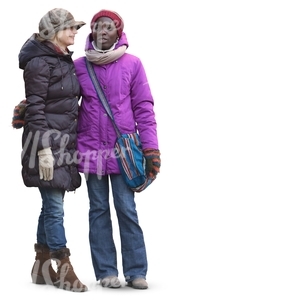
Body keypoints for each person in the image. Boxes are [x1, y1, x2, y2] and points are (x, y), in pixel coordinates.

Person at [74, 9, 161, 289]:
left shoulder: (133, 64)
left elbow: (144, 108)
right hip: (90, 149)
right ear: (92, 32)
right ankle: (106, 271)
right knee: (98, 209)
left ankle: (136, 271)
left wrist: (151, 150)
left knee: (126, 208)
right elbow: (60, 97)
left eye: (108, 26)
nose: (102, 31)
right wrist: (30, 106)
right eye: (97, 26)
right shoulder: (78, 66)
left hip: (123, 151)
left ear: (118, 31)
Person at [18, 8, 88, 292]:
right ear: (53, 32)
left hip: (63, 144)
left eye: (75, 29)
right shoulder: (39, 64)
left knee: (50, 205)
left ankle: (41, 267)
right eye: (70, 28)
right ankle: (63, 267)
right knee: (55, 208)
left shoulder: (62, 60)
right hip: (45, 145)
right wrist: (43, 149)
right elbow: (34, 109)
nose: (74, 33)